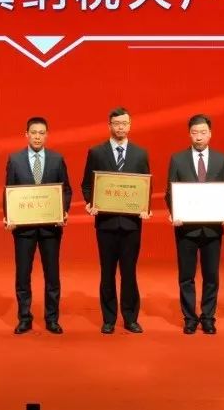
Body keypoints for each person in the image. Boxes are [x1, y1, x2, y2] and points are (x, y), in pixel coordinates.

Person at [81, 107, 152, 334]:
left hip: (131, 224)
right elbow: (87, 184)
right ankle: (109, 318)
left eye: (124, 123)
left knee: (129, 272)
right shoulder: (96, 152)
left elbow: (145, 186)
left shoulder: (140, 154)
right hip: (106, 223)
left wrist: (145, 207)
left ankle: (130, 318)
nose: (120, 127)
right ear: (109, 126)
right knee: (107, 272)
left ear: (130, 125)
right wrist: (91, 202)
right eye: (116, 123)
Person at [164, 114, 224, 334]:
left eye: (203, 132)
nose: (199, 137)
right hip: (186, 228)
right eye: (195, 132)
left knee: (211, 275)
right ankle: (189, 318)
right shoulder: (178, 159)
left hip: (212, 228)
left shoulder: (221, 159)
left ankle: (208, 317)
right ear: (189, 134)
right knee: (186, 276)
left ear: (210, 134)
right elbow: (170, 192)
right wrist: (174, 212)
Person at [3, 117, 72, 334]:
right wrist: (9, 216)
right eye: (33, 133)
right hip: (24, 229)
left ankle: (52, 319)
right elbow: (9, 191)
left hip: (51, 227)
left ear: (47, 135)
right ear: (26, 134)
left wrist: (62, 210)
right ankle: (25, 318)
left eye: (41, 133)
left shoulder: (56, 159)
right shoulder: (15, 160)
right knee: (23, 275)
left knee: (52, 275)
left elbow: (66, 190)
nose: (37, 137)